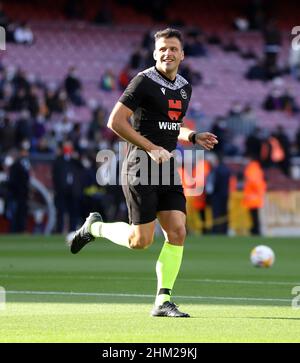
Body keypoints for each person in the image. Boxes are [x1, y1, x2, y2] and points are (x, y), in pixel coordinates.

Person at [67, 28, 218, 318]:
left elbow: (172, 126)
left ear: (182, 54)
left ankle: (163, 301)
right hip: (140, 165)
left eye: (173, 48)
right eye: (162, 48)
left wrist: (193, 136)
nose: (167, 53)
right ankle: (94, 228)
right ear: (154, 53)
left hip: (167, 166)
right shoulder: (143, 81)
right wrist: (150, 148)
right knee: (141, 242)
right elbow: (116, 122)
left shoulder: (185, 86)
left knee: (177, 231)